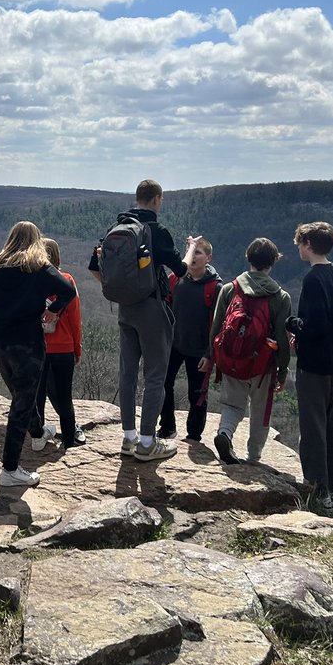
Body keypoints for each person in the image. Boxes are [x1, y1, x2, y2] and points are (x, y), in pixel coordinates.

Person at [0, 222, 76, 488]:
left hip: (1, 336)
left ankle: (37, 432)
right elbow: (68, 290)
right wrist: (53, 309)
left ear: (11, 238)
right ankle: (10, 469)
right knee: (22, 401)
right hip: (28, 339)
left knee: (21, 394)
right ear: (36, 241)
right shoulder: (38, 267)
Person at [88, 179, 190, 462]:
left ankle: (128, 437)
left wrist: (123, 290)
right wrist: (191, 249)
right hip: (152, 308)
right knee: (155, 374)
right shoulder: (157, 230)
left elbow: (94, 267)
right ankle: (147, 442)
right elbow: (180, 269)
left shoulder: (116, 228)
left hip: (125, 308)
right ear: (157, 199)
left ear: (137, 198)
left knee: (128, 372)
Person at [287, 221, 333, 515]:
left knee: (313, 429)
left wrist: (292, 324)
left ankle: (319, 493)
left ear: (309, 245)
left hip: (315, 366)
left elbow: (312, 326)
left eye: (300, 243)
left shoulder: (313, 279)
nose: (299, 248)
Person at [209, 237, 292, 465]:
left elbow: (216, 327)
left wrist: (213, 358)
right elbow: (283, 341)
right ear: (272, 263)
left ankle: (224, 433)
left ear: (248, 258)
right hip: (262, 365)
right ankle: (253, 458)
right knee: (259, 411)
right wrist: (282, 371)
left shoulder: (229, 289)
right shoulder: (280, 297)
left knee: (233, 405)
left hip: (231, 360)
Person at [159, 236, 222, 443]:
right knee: (163, 384)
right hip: (174, 345)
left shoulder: (216, 288)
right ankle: (167, 427)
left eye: (198, 252)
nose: (193, 256)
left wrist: (209, 354)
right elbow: (165, 307)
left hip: (199, 351)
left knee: (197, 394)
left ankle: (193, 436)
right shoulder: (176, 279)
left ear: (208, 258)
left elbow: (217, 324)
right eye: (190, 251)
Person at [37, 238, 83, 448]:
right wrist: (76, 348)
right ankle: (69, 442)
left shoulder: (34, 280)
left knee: (38, 395)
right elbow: (75, 319)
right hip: (63, 347)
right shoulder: (67, 280)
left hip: (38, 347)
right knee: (65, 398)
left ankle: (38, 437)